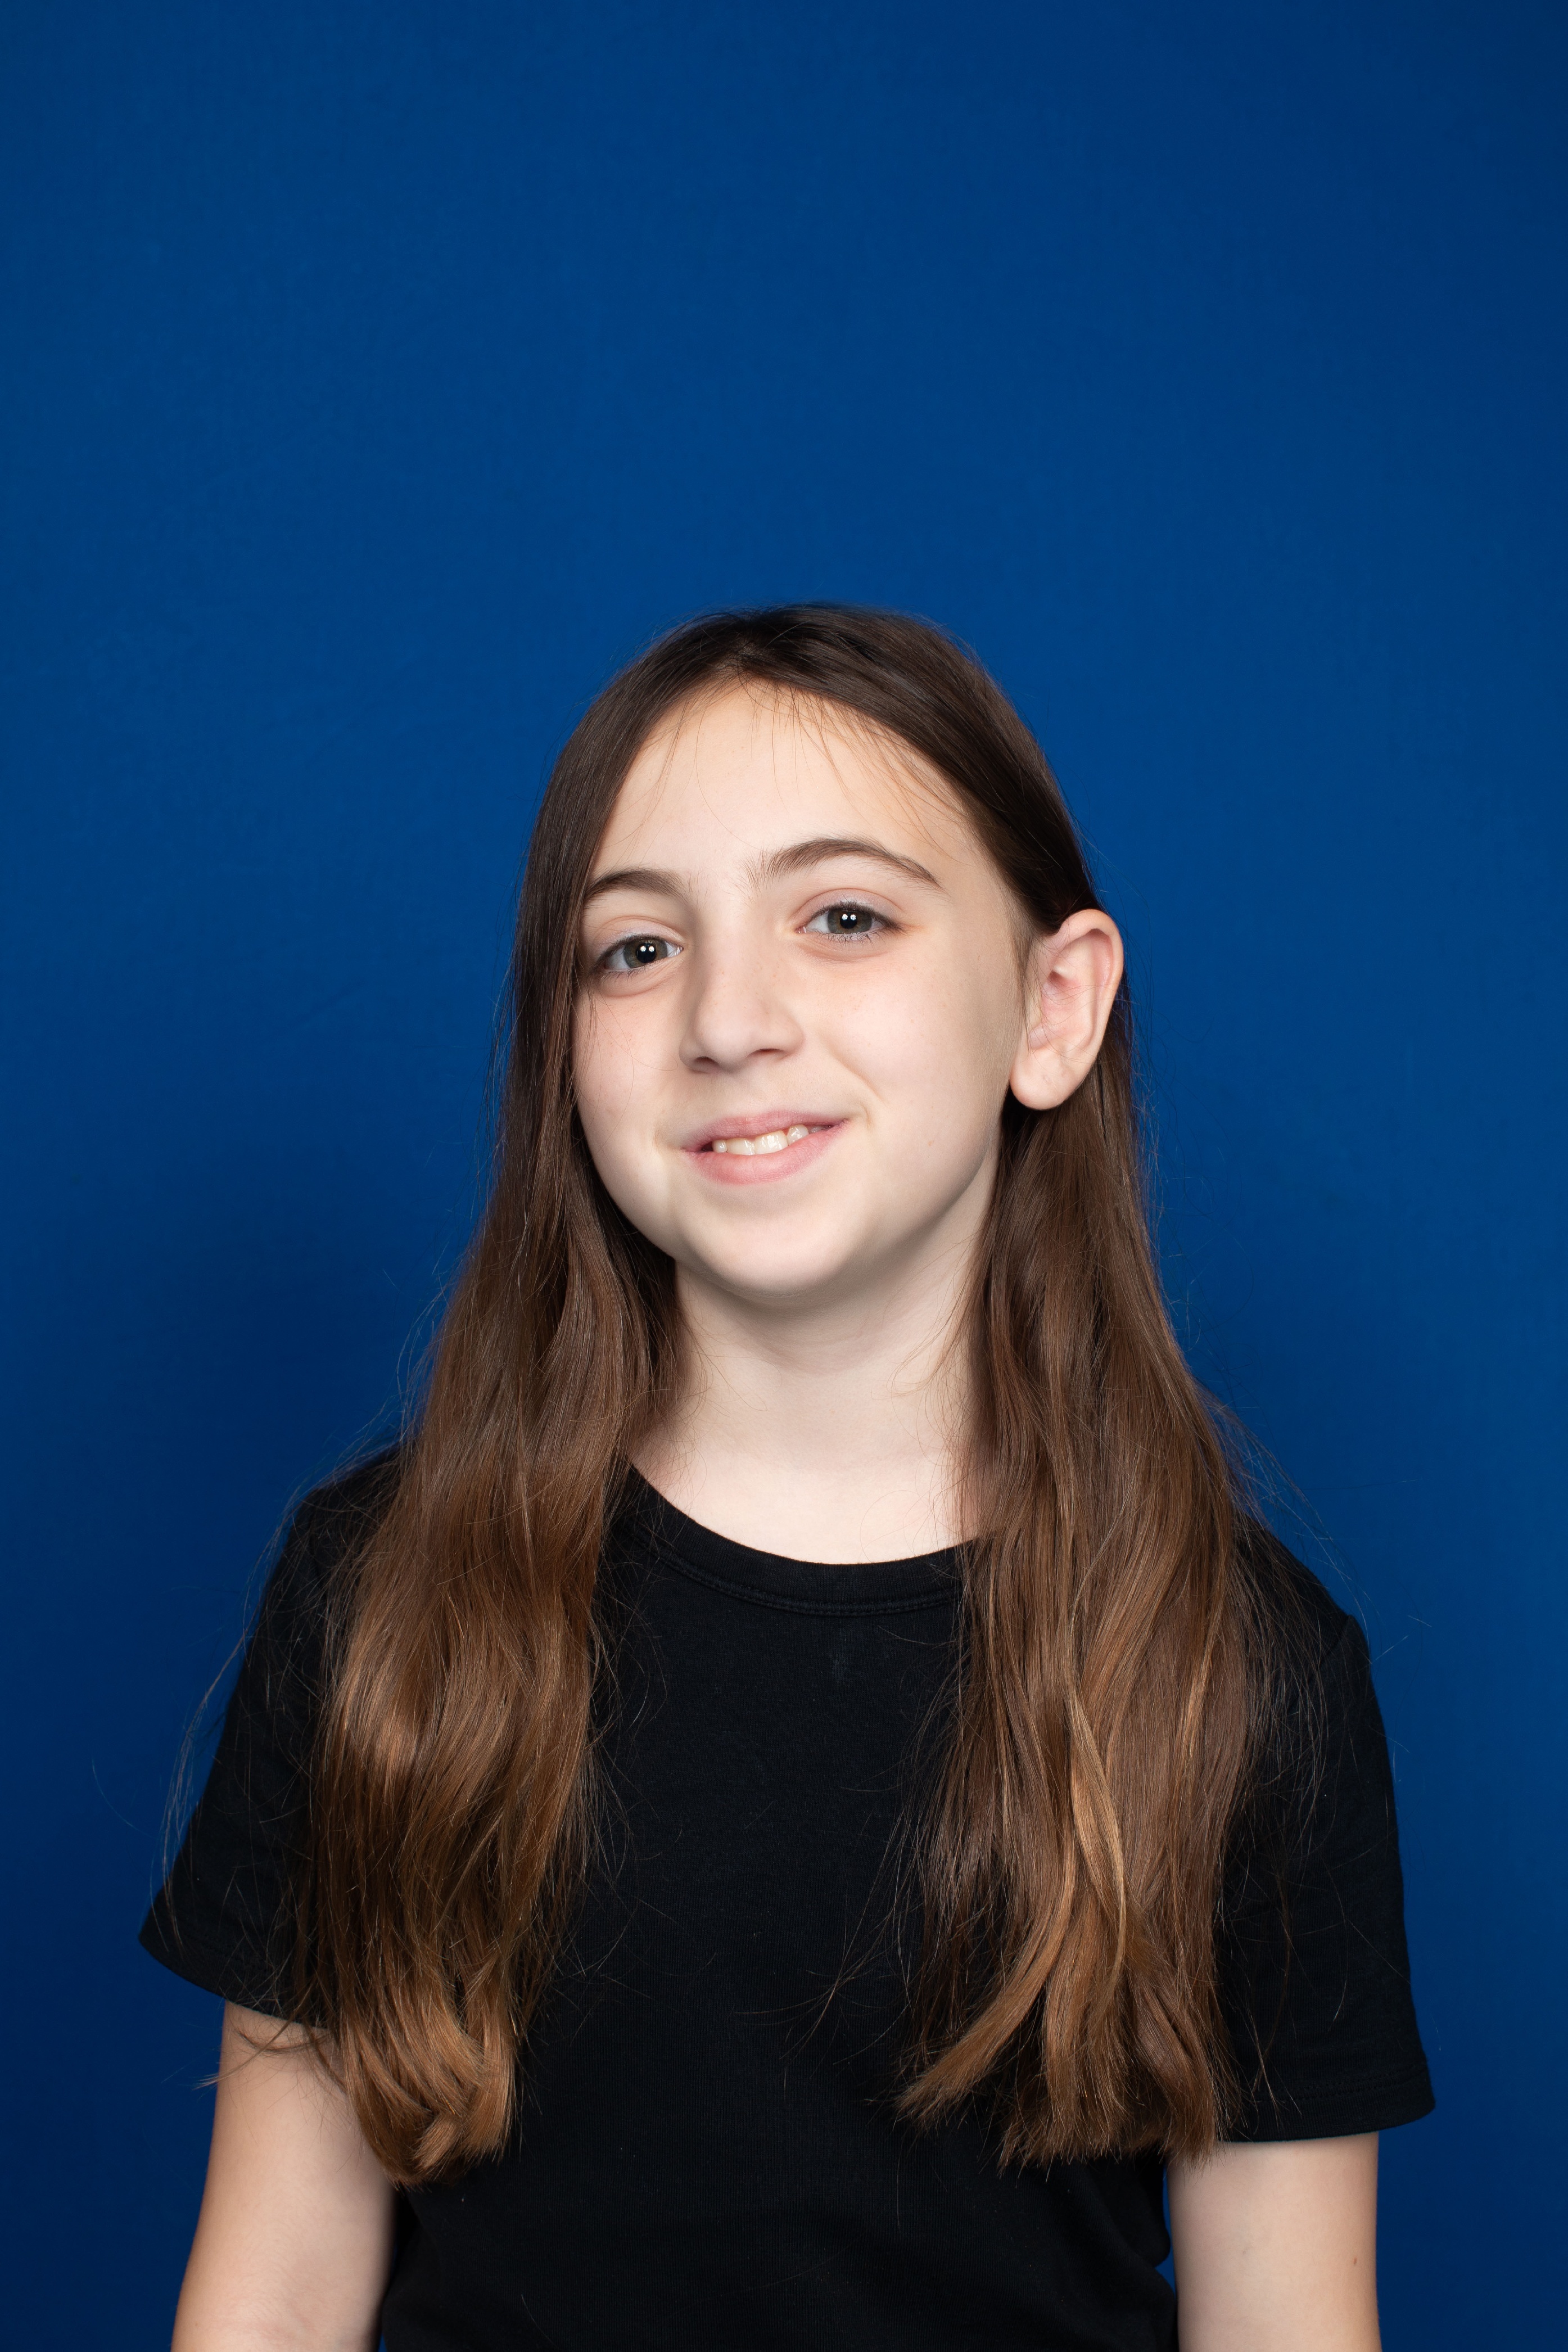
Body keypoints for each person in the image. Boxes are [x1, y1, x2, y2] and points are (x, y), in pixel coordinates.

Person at [142, 606, 1431, 2351]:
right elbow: (276, 2294)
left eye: (843, 918)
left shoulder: (1241, 1673)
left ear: (1053, 1007)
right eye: (635, 949)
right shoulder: (384, 1593)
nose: (730, 1019)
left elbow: (1286, 2327)